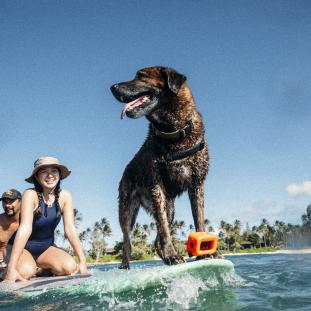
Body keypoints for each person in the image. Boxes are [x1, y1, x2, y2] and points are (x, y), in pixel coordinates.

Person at [5, 157, 88, 282]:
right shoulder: (30, 194)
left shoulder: (65, 196)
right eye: (44, 171)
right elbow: (25, 228)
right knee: (26, 271)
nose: (50, 175)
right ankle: (7, 269)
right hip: (20, 248)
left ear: (59, 174)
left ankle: (40, 268)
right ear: (37, 176)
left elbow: (70, 229)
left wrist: (82, 261)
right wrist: (11, 267)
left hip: (45, 249)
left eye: (54, 170)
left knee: (69, 267)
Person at [0, 189, 22, 277]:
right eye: (4, 202)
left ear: (21, 202)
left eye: (11, 201)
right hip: (2, 264)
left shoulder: (28, 220)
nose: (7, 205)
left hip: (24, 259)